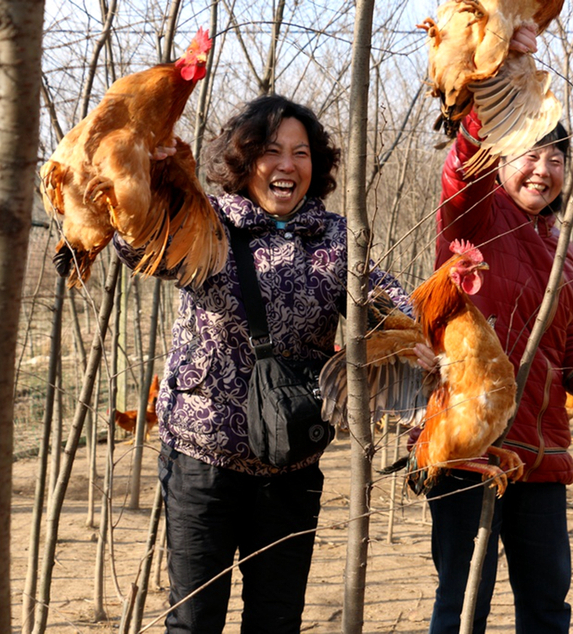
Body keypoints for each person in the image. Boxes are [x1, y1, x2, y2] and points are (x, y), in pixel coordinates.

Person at [115, 95, 413, 633]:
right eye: (272, 150)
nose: (287, 165)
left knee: (276, 622)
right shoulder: (206, 223)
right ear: (247, 160)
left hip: (291, 465)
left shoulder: (338, 239)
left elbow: (391, 300)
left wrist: (416, 332)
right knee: (193, 619)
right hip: (203, 461)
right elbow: (139, 246)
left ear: (314, 167)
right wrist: (143, 175)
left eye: (301, 153)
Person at [423, 25, 573, 634]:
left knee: (547, 606)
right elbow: (462, 166)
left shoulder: (560, 244)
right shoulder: (476, 211)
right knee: (463, 604)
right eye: (529, 153)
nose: (543, 169)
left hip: (542, 454)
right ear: (503, 154)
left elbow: (563, 344)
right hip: (470, 450)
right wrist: (503, 74)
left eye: (555, 157)